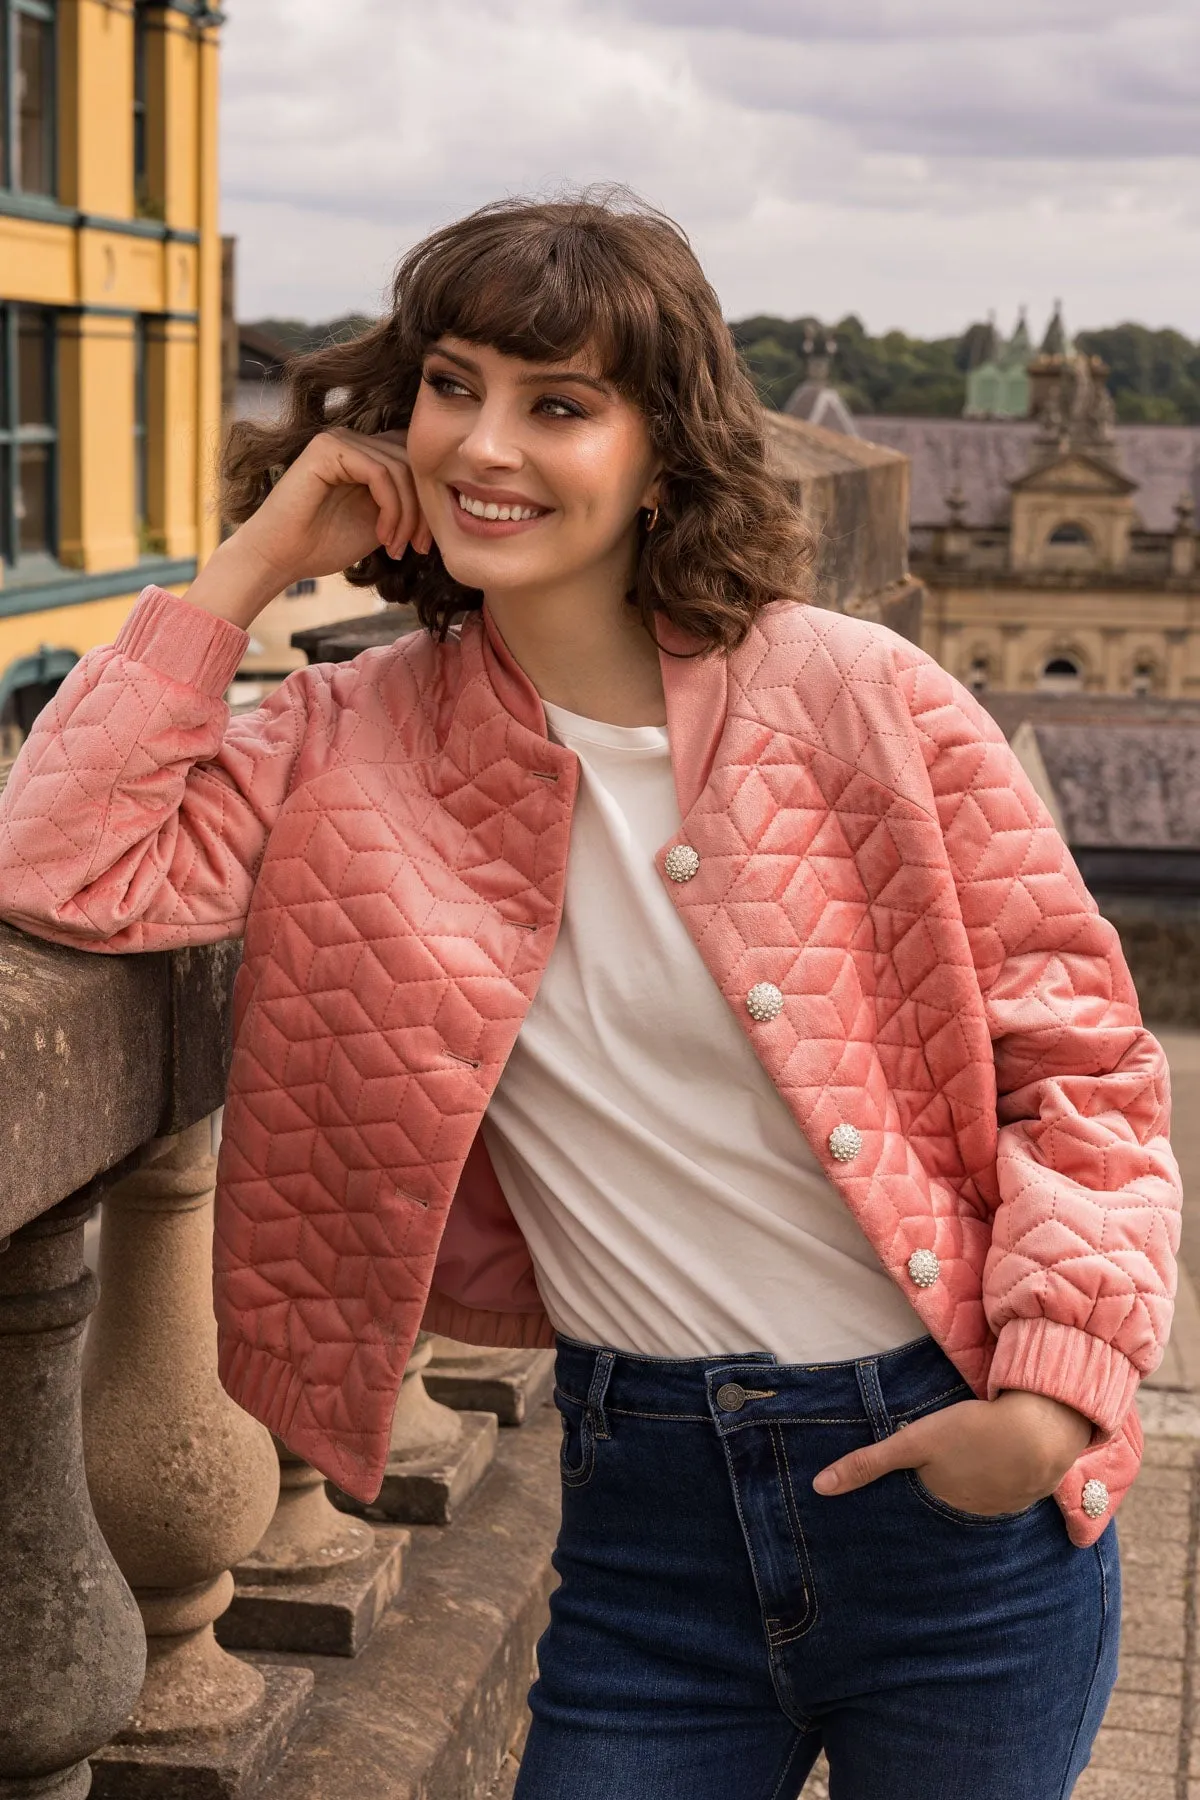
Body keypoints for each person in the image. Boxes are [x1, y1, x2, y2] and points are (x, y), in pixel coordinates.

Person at [0, 194, 1180, 1800]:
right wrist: (258, 554)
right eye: (453, 384)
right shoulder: (342, 737)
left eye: (559, 405)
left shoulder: (859, 693)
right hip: (645, 1515)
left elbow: (1087, 1063)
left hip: (953, 1499)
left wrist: (1051, 1400)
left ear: (660, 446)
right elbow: (59, 863)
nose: (488, 445)